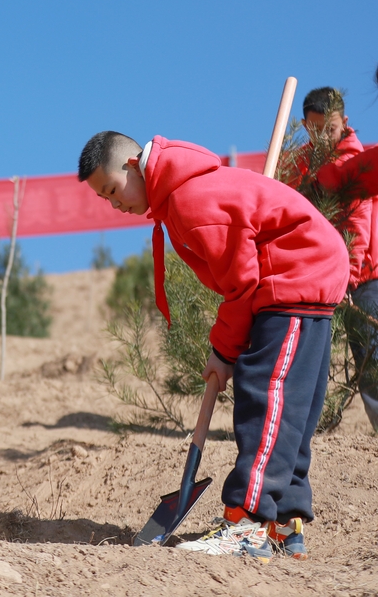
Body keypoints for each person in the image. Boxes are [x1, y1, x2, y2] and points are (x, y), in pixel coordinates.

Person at [78, 131, 348, 561]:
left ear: (132, 166)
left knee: (266, 397)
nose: (115, 204)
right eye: (105, 199)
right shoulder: (186, 193)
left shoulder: (191, 200)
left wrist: (223, 351)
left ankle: (245, 522)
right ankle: (282, 524)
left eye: (113, 191)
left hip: (292, 278)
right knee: (289, 408)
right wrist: (225, 349)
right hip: (302, 280)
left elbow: (241, 285)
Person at [297, 88, 378, 431]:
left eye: (329, 129)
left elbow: (358, 226)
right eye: (315, 131)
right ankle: (317, 426)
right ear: (304, 125)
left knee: (370, 359)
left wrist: (348, 276)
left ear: (343, 122)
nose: (323, 138)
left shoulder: (352, 160)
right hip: (324, 276)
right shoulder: (303, 161)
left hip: (364, 277)